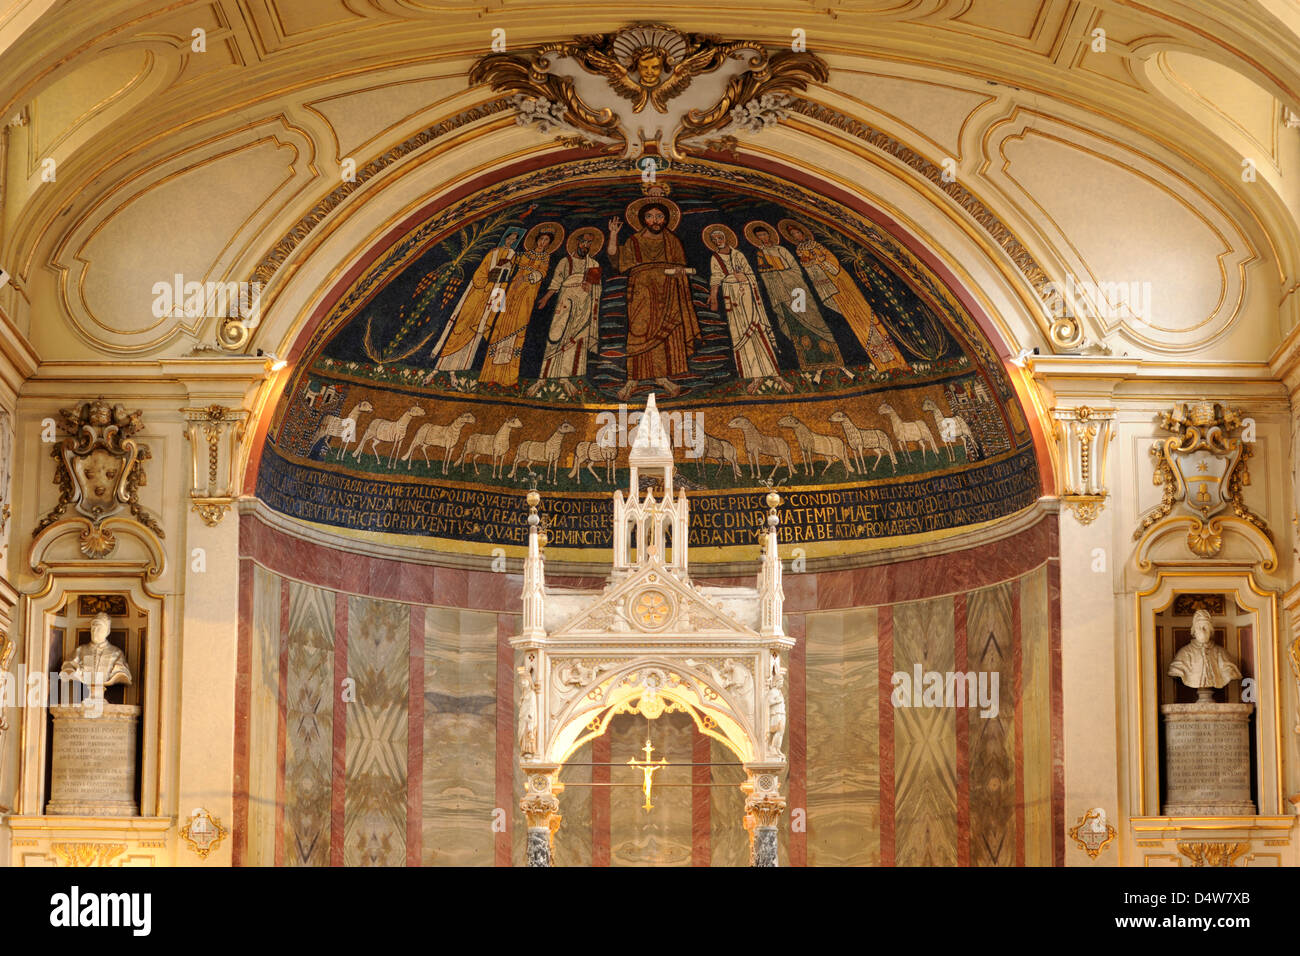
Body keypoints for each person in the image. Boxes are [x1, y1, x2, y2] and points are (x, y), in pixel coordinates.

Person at [779, 219, 909, 374]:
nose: (797, 236)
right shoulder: (800, 251)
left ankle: (896, 360)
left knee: (865, 317)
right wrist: (811, 263)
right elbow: (807, 268)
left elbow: (833, 264)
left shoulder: (817, 246)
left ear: (803, 233)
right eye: (793, 235)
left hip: (840, 284)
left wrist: (820, 261)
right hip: (826, 288)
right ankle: (880, 362)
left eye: (798, 233)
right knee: (855, 323)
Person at [607, 197, 700, 400]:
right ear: (643, 219)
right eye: (650, 216)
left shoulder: (673, 241)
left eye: (659, 216)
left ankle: (663, 378)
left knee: (668, 334)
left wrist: (679, 272)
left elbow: (682, 267)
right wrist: (614, 235)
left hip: (668, 291)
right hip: (642, 292)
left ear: (666, 219)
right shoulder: (634, 241)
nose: (655, 220)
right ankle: (632, 380)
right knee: (639, 332)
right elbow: (616, 259)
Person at [745, 221, 844, 371]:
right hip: (780, 294)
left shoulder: (781, 250)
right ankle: (809, 365)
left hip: (796, 291)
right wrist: (772, 274)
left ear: (769, 234)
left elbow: (796, 269)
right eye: (759, 236)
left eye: (764, 234)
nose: (763, 238)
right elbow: (763, 274)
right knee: (794, 327)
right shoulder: (760, 253)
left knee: (811, 316)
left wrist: (780, 270)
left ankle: (834, 360)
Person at [704, 224, 790, 393]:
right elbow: (715, 279)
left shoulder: (738, 254)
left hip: (748, 295)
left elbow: (750, 274)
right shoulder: (715, 258)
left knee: (757, 329)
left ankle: (775, 374)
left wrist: (744, 277)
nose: (717, 241)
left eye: (720, 238)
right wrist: (713, 297)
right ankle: (754, 377)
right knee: (740, 335)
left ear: (726, 238)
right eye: (714, 240)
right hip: (731, 298)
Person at [480, 223, 563, 387]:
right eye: (541, 239)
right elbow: (508, 266)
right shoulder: (522, 254)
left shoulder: (545, 258)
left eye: (546, 240)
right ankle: (489, 375)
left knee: (517, 332)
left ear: (549, 243)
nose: (542, 242)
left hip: (527, 296)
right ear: (536, 239)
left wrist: (524, 278)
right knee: (499, 328)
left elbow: (541, 273)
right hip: (511, 293)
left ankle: (508, 377)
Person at [430, 226, 524, 371]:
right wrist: (486, 283)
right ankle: (441, 364)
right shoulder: (492, 253)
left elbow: (508, 279)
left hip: (495, 293)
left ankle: (461, 367)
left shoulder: (513, 256)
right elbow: (480, 273)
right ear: (504, 238)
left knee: (482, 328)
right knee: (463, 323)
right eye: (509, 238)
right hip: (478, 293)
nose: (510, 241)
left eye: (514, 240)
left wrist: (499, 294)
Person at [534, 226, 603, 395]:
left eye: (589, 243)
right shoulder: (565, 262)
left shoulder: (594, 264)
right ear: (577, 243)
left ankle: (565, 378)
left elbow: (597, 286)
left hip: (584, 306)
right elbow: (556, 282)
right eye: (583, 242)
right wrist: (546, 298)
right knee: (555, 337)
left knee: (576, 340)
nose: (585, 245)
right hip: (565, 304)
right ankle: (542, 378)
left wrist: (591, 286)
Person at [1168, 609, 1242, 698]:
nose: (1202, 631)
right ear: (1194, 631)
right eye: (1199, 627)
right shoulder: (1184, 653)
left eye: (1205, 627)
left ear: (1211, 631)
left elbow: (1230, 672)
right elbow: (1175, 671)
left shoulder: (1221, 652)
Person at [61, 612, 131, 699]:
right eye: (93, 628)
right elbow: (68, 666)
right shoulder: (80, 650)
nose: (94, 631)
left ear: (107, 631)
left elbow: (123, 673)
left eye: (99, 628)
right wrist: (72, 671)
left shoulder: (116, 653)